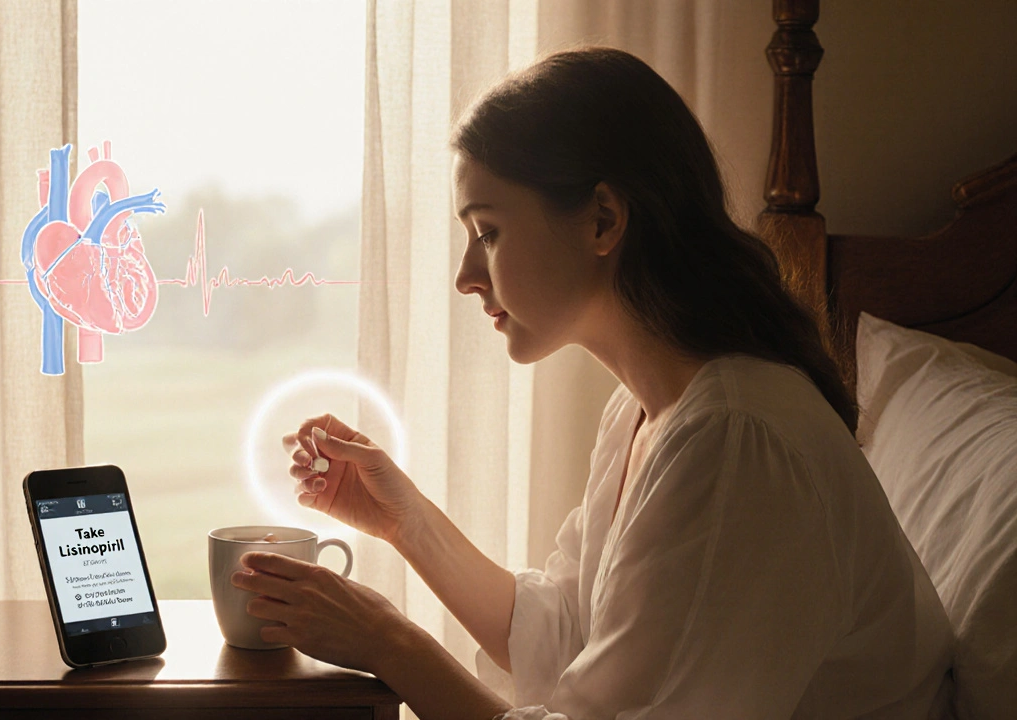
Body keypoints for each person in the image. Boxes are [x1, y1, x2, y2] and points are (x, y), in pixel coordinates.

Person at [228, 47, 953, 720]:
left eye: (488, 232)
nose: (464, 276)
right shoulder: (645, 411)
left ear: (603, 219)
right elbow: (561, 633)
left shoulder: (736, 440)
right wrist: (402, 519)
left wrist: (388, 641)